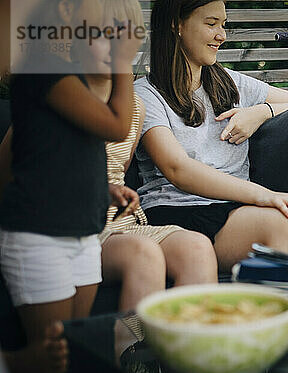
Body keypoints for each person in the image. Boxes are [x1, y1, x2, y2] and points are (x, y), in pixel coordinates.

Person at [134, 0, 288, 273]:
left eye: (223, 24)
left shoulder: (232, 84)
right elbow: (177, 169)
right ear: (176, 25)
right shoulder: (146, 94)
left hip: (237, 210)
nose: (222, 35)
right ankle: (275, 313)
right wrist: (264, 196)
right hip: (181, 212)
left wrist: (262, 111)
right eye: (211, 24)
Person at [0, 0, 141, 373]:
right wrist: (124, 63)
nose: (118, 41)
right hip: (38, 237)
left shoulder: (73, 83)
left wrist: (102, 189)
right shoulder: (44, 69)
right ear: (67, 12)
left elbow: (53, 155)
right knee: (51, 364)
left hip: (81, 235)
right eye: (108, 30)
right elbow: (115, 127)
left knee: (79, 354)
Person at [77, 0, 217, 312]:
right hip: (66, 229)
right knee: (144, 253)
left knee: (197, 246)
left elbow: (115, 171)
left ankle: (190, 354)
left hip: (115, 226)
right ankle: (132, 356)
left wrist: (117, 194)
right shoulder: (51, 98)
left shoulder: (134, 107)